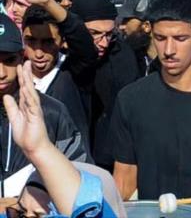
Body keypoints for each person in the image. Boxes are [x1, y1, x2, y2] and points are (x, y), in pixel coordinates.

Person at [110, 0, 191, 200]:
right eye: (161, 38)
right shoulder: (131, 99)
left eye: (180, 38)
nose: (169, 49)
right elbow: (124, 182)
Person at [1, 60, 121, 217]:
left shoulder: (53, 112)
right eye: (20, 214)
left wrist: (40, 149)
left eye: (40, 216)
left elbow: (87, 210)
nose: (1, 72)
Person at [0, 13, 88, 197]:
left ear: (21, 57)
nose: (1, 73)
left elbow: (81, 176)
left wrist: (35, 195)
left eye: (9, 61)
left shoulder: (51, 111)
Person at [68, 0, 142, 170]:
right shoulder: (62, 58)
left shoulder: (123, 57)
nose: (103, 43)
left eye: (108, 34)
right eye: (94, 33)